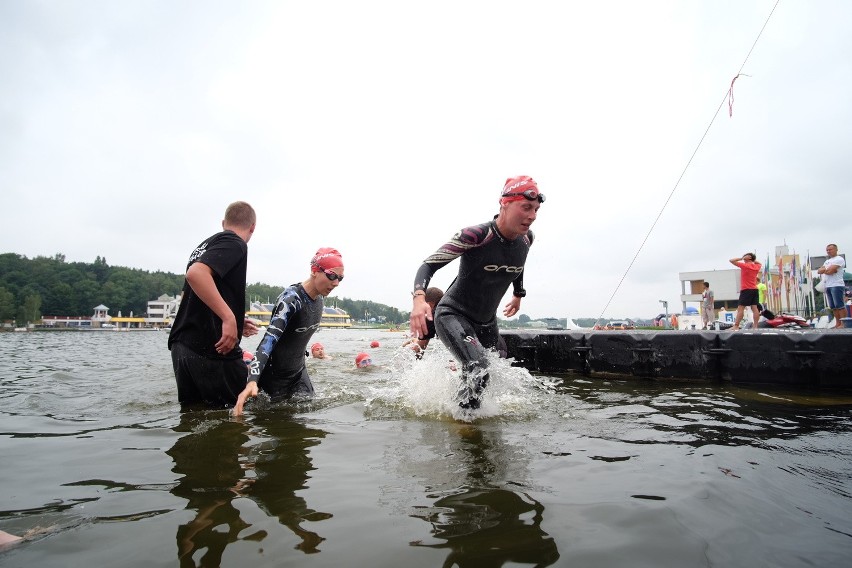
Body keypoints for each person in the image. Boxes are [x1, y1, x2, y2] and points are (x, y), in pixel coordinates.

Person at [410, 175, 543, 410]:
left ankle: (459, 412)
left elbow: (518, 264)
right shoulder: (476, 236)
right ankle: (464, 422)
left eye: (535, 209)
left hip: (487, 322)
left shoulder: (526, 239)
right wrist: (419, 299)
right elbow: (429, 264)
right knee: (478, 367)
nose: (532, 216)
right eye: (525, 208)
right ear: (504, 203)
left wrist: (518, 293)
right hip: (454, 315)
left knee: (490, 371)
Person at [168, 201, 260, 408]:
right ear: (253, 227)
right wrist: (228, 318)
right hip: (210, 349)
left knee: (196, 417)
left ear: (223, 223)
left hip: (183, 348)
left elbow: (188, 298)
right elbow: (196, 275)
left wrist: (234, 319)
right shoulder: (235, 242)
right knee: (250, 407)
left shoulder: (202, 248)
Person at [233, 247, 344, 415]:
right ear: (314, 270)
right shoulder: (291, 300)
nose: (336, 283)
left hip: (298, 373)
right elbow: (267, 342)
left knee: (309, 428)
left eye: (340, 278)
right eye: (331, 275)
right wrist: (252, 381)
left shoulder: (320, 299)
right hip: (274, 378)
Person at [403, 287, 444, 356]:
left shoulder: (431, 318)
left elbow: (419, 350)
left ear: (428, 304)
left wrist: (408, 344)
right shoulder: (451, 308)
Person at [729, 252, 762, 331]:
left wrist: (741, 258)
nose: (744, 256)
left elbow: (731, 260)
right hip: (754, 289)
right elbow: (759, 263)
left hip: (746, 289)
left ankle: (736, 326)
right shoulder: (757, 266)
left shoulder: (745, 265)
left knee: (741, 308)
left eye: (746, 255)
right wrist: (752, 259)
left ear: (749, 258)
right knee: (754, 308)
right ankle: (755, 326)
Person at [817, 243, 846, 328]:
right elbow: (819, 270)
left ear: (836, 250)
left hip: (837, 285)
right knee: (833, 307)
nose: (828, 251)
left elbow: (831, 271)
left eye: (830, 249)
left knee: (840, 305)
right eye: (827, 250)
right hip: (828, 285)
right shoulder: (827, 261)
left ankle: (843, 323)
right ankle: (837, 323)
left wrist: (826, 270)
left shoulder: (839, 259)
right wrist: (827, 269)